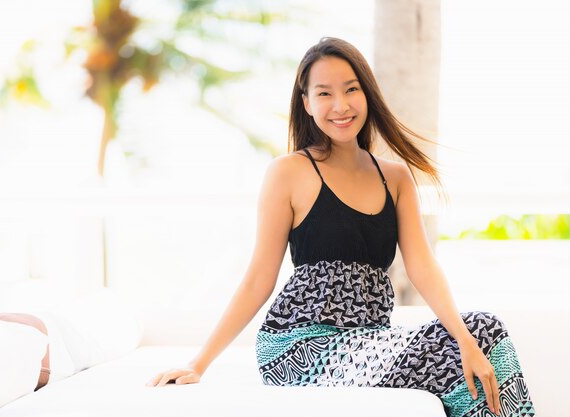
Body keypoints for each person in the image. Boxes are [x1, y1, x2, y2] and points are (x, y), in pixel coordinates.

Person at [146, 37, 536, 417]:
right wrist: (199, 363)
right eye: (324, 93)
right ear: (307, 103)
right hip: (298, 346)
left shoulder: (396, 179)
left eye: (351, 89)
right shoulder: (289, 172)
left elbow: (423, 267)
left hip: (368, 338)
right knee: (470, 341)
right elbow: (258, 279)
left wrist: (464, 339)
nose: (341, 105)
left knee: (484, 330)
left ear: (367, 93)